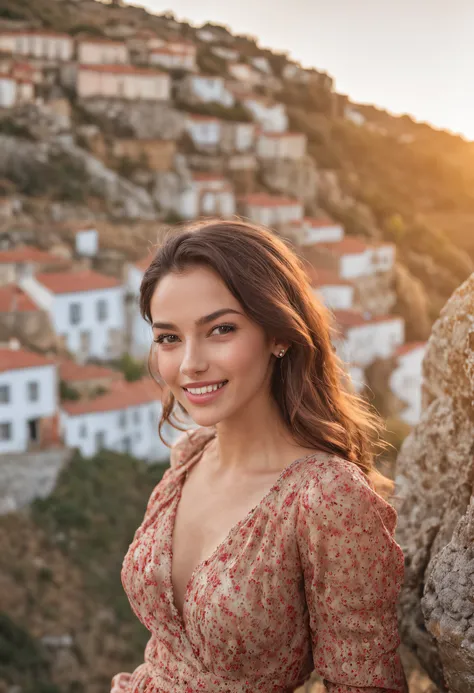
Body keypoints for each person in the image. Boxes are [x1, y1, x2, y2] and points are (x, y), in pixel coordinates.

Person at [111, 220, 408, 693]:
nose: (190, 363)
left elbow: (365, 682)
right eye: (169, 338)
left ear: (279, 335)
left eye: (220, 329)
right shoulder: (189, 456)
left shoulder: (327, 498)